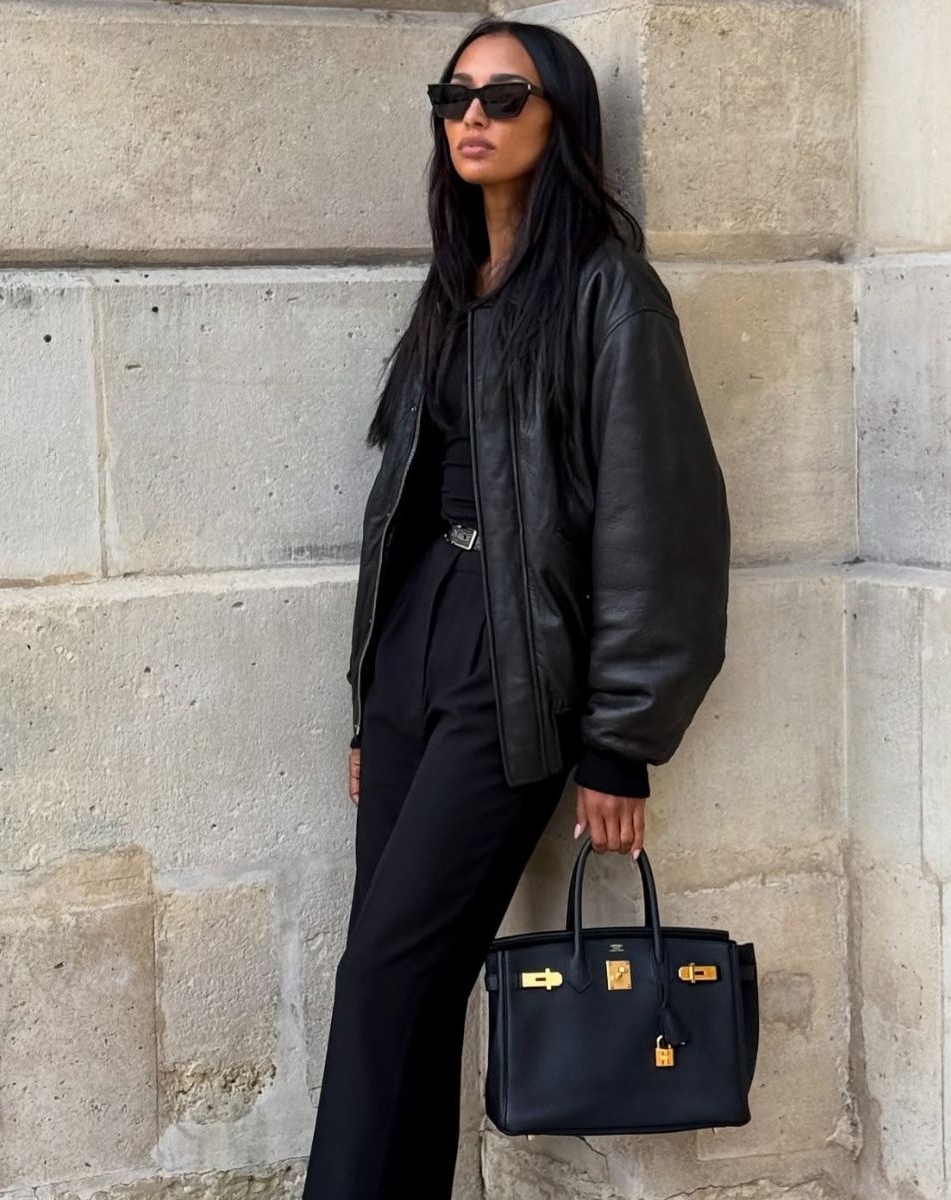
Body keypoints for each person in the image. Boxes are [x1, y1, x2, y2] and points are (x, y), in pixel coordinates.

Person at [302, 16, 731, 1198]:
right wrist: (366, 703)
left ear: (561, 118)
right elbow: (402, 505)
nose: (473, 117)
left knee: (389, 972)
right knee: (395, 977)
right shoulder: (454, 286)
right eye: (455, 96)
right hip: (414, 652)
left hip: (515, 663)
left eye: (504, 95)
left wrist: (620, 744)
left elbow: (665, 531)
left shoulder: (609, 293)